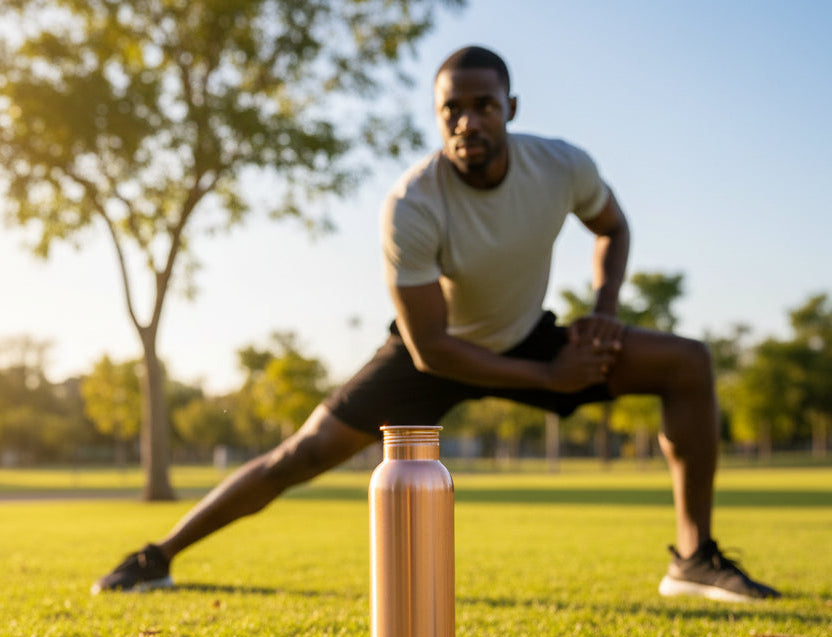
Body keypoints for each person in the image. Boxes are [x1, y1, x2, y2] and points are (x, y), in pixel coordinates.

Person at [92, 45, 779, 602]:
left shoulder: (562, 165)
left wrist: (603, 317)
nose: (469, 122)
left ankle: (693, 558)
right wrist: (549, 375)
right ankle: (158, 556)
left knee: (688, 362)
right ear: (438, 117)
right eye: (452, 109)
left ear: (511, 107)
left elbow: (613, 226)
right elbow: (430, 347)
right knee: (298, 455)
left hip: (530, 336)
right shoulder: (412, 205)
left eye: (484, 106)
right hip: (436, 353)